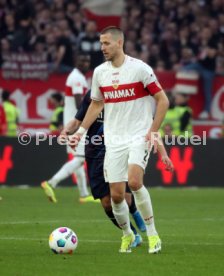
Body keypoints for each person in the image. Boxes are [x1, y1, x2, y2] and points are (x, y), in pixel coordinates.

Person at [68, 26, 169, 253]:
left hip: (137, 135)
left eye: (106, 43)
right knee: (115, 195)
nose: (102, 48)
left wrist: (153, 130)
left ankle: (153, 235)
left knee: (133, 182)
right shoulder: (100, 73)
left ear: (119, 43)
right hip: (113, 139)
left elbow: (163, 101)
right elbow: (96, 103)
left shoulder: (140, 69)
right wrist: (80, 132)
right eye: (101, 43)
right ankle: (127, 235)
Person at [61, 90, 173, 247]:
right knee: (107, 203)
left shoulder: (126, 95)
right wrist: (66, 131)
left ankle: (138, 216)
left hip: (117, 149)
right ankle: (132, 234)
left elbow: (148, 125)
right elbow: (77, 120)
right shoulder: (92, 96)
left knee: (123, 195)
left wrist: (163, 153)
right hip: (95, 153)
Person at [41, 54, 96, 204]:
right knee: (81, 158)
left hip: (69, 123)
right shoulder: (77, 78)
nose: (85, 63)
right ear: (75, 61)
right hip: (75, 125)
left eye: (87, 61)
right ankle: (51, 183)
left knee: (77, 158)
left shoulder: (75, 76)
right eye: (82, 60)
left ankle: (84, 194)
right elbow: (80, 104)